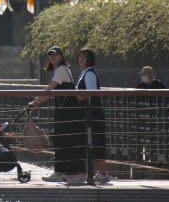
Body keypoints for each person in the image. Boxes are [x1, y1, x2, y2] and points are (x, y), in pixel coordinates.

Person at [28, 46, 86, 185]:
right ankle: (61, 172)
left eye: (55, 54)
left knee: (66, 141)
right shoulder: (59, 70)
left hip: (67, 112)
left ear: (61, 56)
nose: (52, 57)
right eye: (50, 55)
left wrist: (35, 102)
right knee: (61, 140)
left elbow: (49, 91)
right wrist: (37, 101)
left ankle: (71, 172)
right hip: (64, 111)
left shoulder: (61, 70)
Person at [76, 48, 109, 183]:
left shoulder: (89, 74)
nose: (81, 59)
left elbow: (91, 93)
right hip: (88, 114)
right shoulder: (83, 74)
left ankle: (102, 172)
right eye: (80, 56)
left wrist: (78, 96)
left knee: (96, 142)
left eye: (85, 56)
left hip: (93, 115)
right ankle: (95, 172)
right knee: (92, 143)